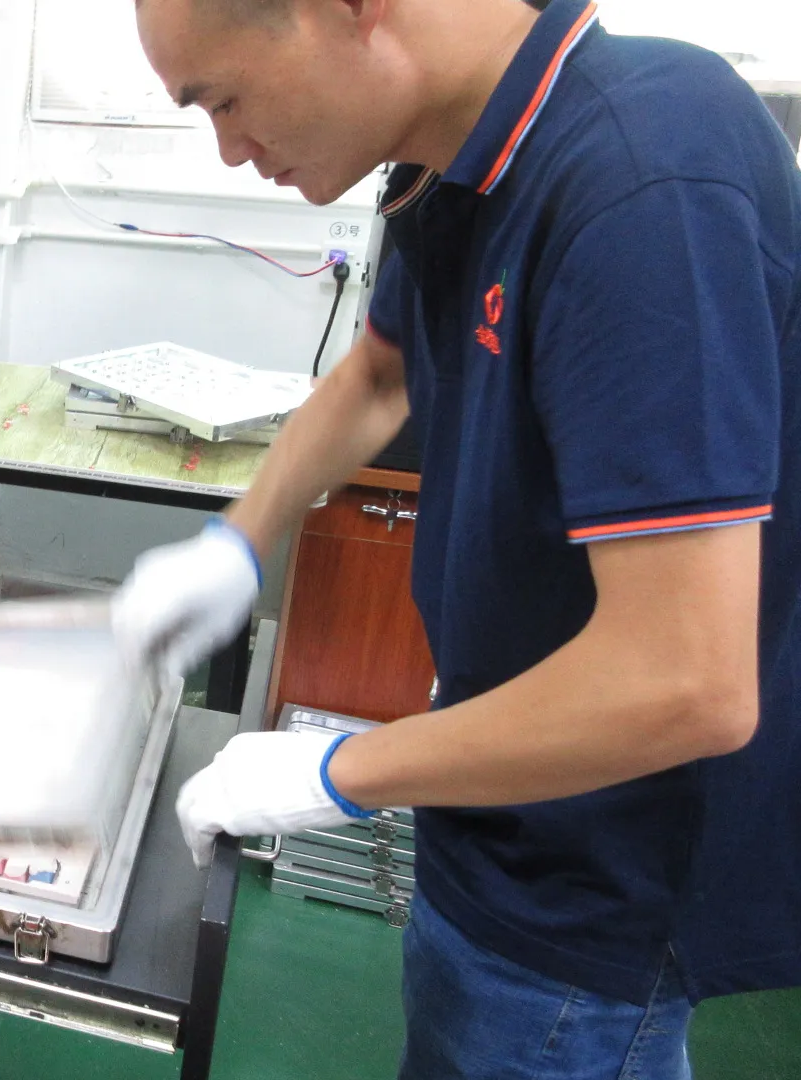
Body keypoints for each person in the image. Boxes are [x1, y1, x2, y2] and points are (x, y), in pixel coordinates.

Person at [112, 0, 800, 1075]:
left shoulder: (643, 181)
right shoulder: (454, 160)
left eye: (227, 100)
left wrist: (340, 768)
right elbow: (381, 374)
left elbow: (686, 682)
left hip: (589, 896)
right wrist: (238, 540)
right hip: (489, 804)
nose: (231, 149)